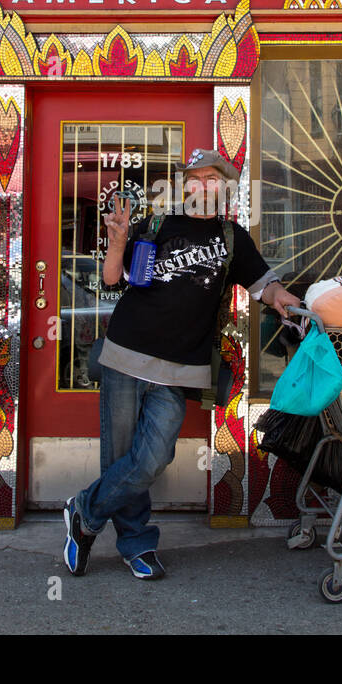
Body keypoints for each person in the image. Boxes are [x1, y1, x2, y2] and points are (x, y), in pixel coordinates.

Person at [62, 148, 299, 579]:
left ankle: (84, 512)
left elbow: (265, 285)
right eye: (195, 178)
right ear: (184, 185)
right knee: (120, 456)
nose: (202, 185)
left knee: (151, 458)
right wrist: (117, 240)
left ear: (223, 187)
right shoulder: (157, 225)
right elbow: (115, 279)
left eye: (212, 178)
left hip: (180, 370)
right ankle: (136, 545)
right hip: (125, 357)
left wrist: (288, 301)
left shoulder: (232, 238)